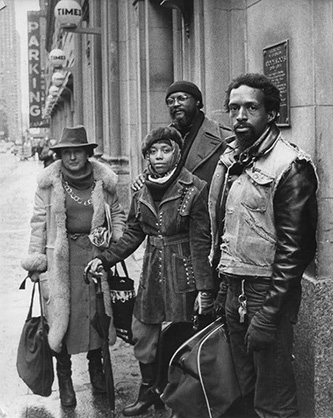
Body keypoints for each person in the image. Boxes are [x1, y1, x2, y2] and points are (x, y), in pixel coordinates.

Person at [85, 126, 215, 416]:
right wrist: (104, 259)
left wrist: (205, 290)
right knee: (143, 333)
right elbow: (133, 232)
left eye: (165, 150)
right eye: (153, 151)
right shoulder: (141, 189)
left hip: (184, 272)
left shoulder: (194, 189)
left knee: (181, 335)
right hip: (152, 270)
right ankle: (148, 391)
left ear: (177, 153)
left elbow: (200, 241)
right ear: (146, 156)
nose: (159, 157)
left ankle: (176, 394)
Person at [209, 73, 318, 418]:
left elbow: (295, 250)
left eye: (250, 107)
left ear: (270, 113)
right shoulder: (231, 160)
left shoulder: (290, 165)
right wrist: (221, 288)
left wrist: (269, 314)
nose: (240, 116)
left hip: (265, 293)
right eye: (234, 108)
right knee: (246, 390)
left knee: (274, 399)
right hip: (233, 289)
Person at [21, 125, 126, 408]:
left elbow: (116, 215)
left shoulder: (104, 181)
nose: (71, 157)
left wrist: (116, 246)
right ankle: (65, 378)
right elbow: (38, 224)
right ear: (60, 155)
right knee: (61, 319)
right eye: (66, 153)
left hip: (94, 257)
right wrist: (35, 261)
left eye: (77, 151)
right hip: (59, 259)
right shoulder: (48, 183)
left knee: (96, 314)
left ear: (87, 153)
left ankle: (96, 368)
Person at [132, 80, 231, 189]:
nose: (175, 104)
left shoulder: (223, 137)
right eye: (170, 101)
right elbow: (156, 170)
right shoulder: (162, 139)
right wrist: (143, 178)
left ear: (197, 101)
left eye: (182, 98)